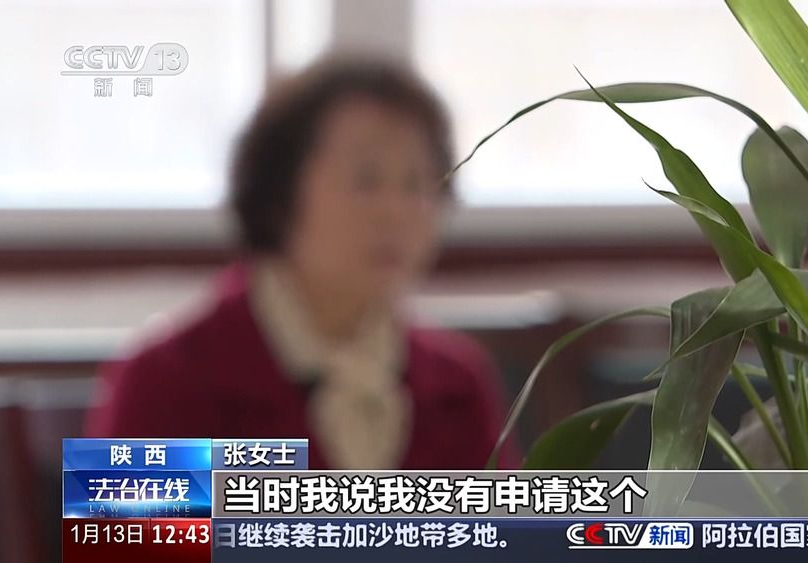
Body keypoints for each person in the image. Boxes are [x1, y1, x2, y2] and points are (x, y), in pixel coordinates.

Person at [85, 56, 518, 470]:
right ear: (280, 194)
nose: (395, 212)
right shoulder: (167, 380)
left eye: (417, 183)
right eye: (366, 180)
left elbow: (509, 524)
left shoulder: (458, 384)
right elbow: (127, 524)